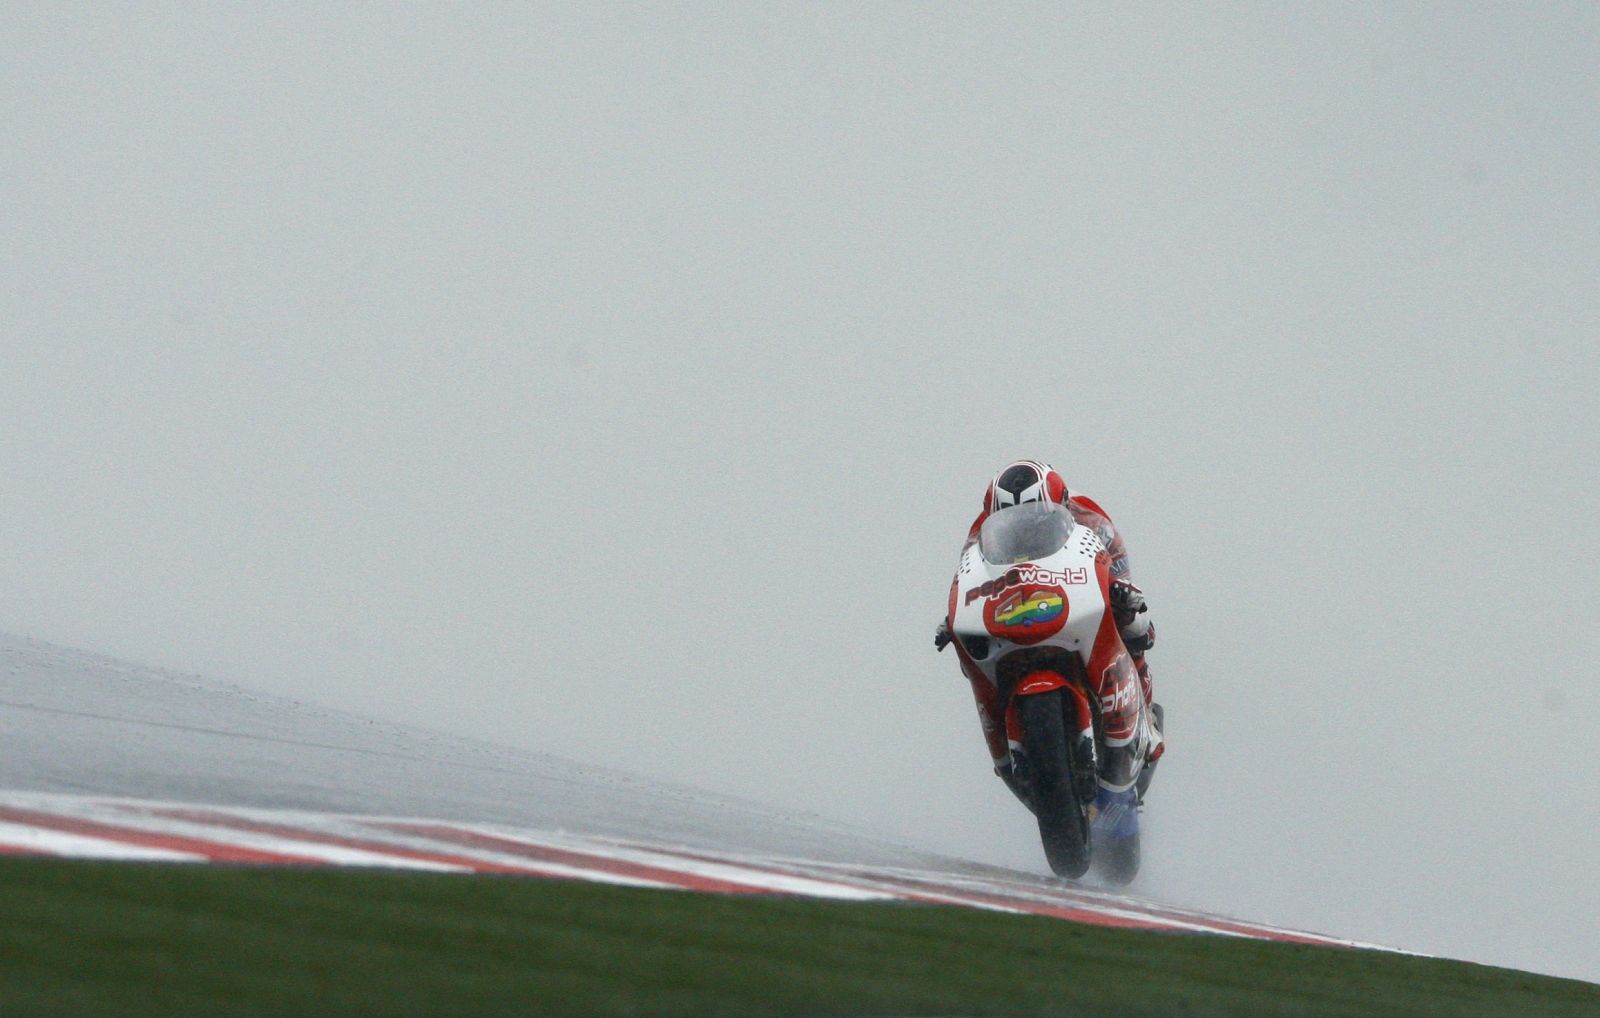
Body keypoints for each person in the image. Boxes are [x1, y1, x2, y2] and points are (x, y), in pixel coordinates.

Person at [936, 459, 1165, 801]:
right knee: (967, 652)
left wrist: (1123, 593)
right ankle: (1010, 743)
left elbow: (1118, 569)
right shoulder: (977, 536)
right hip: (1016, 607)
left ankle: (1146, 719)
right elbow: (970, 580)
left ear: (1060, 505)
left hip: (1071, 594)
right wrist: (953, 621)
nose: (1023, 525)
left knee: (1136, 629)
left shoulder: (1092, 520)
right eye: (1008, 521)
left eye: (1037, 515)